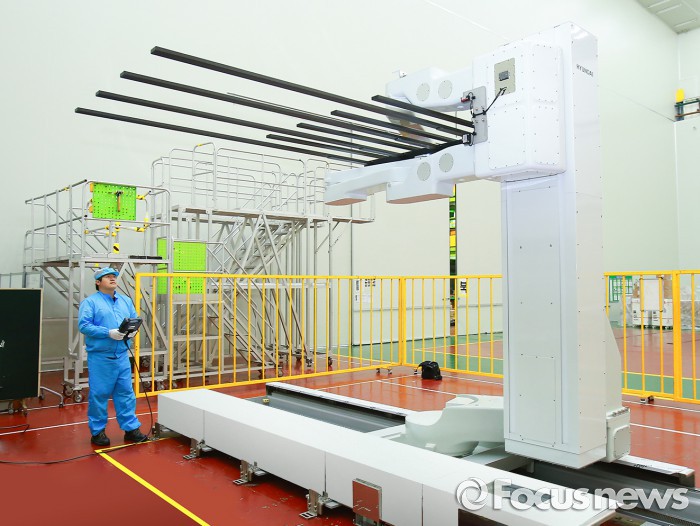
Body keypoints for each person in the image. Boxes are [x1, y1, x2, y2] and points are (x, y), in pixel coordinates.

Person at [78, 267, 147, 447]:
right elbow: (84, 325)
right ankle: (98, 432)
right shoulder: (90, 302)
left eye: (114, 276)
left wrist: (133, 331)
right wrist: (107, 332)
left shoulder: (125, 301)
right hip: (101, 357)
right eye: (107, 277)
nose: (112, 279)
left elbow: (134, 318)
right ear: (98, 282)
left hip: (122, 355)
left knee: (126, 393)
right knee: (99, 394)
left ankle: (131, 429)